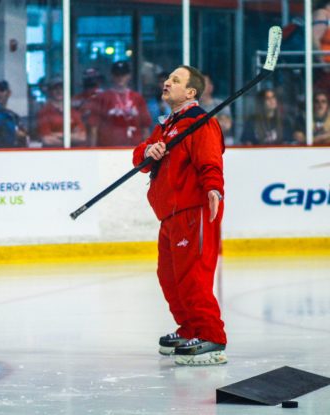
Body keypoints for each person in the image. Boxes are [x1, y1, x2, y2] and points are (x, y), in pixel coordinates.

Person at [132, 65, 227, 366]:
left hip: (192, 211)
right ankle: (190, 329)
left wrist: (214, 189)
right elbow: (140, 159)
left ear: (190, 92)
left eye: (175, 80)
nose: (166, 82)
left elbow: (210, 160)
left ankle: (211, 335)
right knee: (169, 277)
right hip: (169, 215)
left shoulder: (200, 123)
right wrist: (149, 151)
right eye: (167, 78)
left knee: (192, 277)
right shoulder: (168, 125)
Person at [89, 61, 151, 147]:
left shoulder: (137, 98)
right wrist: (92, 151)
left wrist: (147, 150)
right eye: (117, 75)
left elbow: (145, 127)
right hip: (108, 149)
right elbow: (93, 127)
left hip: (135, 148)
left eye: (123, 75)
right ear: (112, 76)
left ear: (129, 76)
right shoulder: (102, 98)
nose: (120, 78)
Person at [36, 76, 86, 147]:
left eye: (61, 88)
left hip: (73, 155)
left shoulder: (73, 111)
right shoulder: (44, 113)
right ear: (50, 91)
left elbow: (82, 137)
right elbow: (47, 140)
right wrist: (72, 138)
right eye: (55, 88)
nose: (59, 91)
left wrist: (58, 135)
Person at [72, 68, 104, 142]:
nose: (91, 82)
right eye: (88, 80)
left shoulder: (104, 97)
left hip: (101, 133)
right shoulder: (76, 99)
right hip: (82, 134)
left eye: (93, 79)